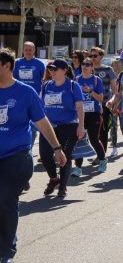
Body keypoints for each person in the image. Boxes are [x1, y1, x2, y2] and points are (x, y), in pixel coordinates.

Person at [0, 48, 67, 262]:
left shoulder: (25, 93)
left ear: (6, 66)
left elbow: (42, 122)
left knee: (6, 199)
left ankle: (6, 251)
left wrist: (57, 148)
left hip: (16, 156)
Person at [40, 59, 85, 197]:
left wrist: (81, 126)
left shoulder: (73, 86)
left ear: (64, 70)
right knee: (45, 155)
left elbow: (79, 107)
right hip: (49, 127)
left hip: (68, 126)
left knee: (64, 156)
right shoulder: (46, 86)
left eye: (55, 70)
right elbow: (41, 107)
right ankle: (54, 179)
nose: (52, 72)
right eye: (50, 70)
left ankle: (63, 187)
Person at [72, 57, 107, 176]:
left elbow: (101, 99)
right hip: (80, 114)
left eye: (88, 64)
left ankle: (102, 160)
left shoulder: (96, 80)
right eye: (83, 64)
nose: (85, 66)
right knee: (79, 139)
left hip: (94, 113)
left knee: (94, 139)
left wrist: (90, 92)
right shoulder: (76, 80)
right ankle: (78, 167)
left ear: (92, 67)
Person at [89, 48, 119, 157]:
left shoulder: (108, 70)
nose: (92, 58)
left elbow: (115, 89)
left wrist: (114, 102)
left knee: (103, 130)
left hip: (104, 104)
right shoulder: (87, 68)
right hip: (89, 106)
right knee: (91, 132)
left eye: (95, 56)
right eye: (91, 56)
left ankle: (101, 155)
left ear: (101, 56)